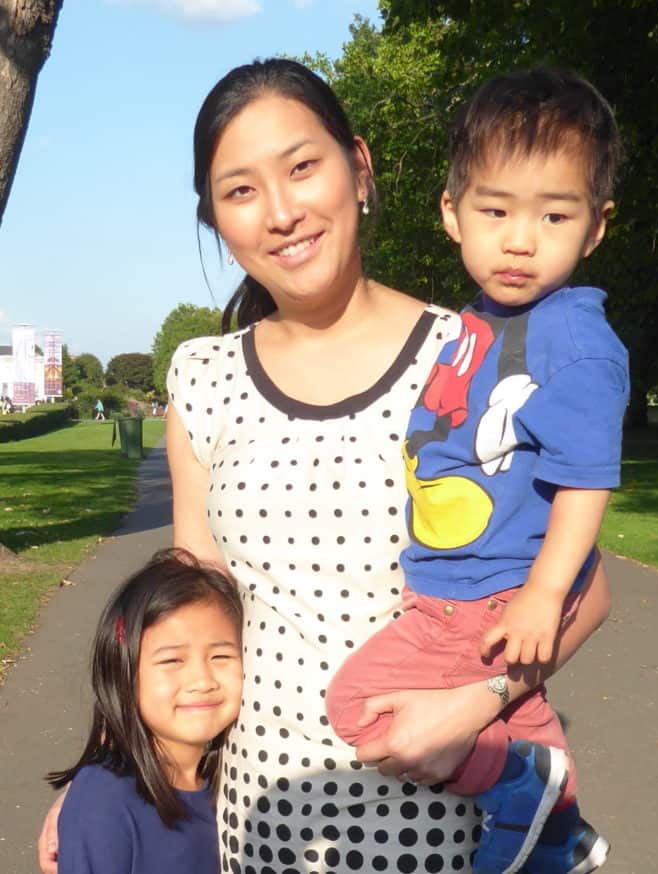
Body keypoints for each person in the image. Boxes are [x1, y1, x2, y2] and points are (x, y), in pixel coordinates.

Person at [39, 59, 615, 874]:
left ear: (361, 168)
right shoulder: (203, 379)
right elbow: (187, 601)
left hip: (443, 823)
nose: (280, 213)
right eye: (241, 191)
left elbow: (585, 587)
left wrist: (475, 707)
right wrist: (106, 763)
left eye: (302, 167)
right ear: (215, 219)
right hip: (261, 823)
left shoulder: (475, 354)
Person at [325, 68, 628, 874]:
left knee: (353, 704)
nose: (521, 240)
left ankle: (525, 795)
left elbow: (585, 480)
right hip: (454, 592)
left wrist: (541, 594)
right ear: (453, 213)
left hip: (488, 601)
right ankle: (556, 820)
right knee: (520, 726)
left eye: (553, 215)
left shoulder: (573, 339)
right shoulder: (480, 325)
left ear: (594, 228)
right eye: (496, 211)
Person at [46, 548, 243, 874]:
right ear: (123, 674)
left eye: (221, 657)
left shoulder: (236, 779)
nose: (202, 680)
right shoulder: (104, 801)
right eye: (172, 661)